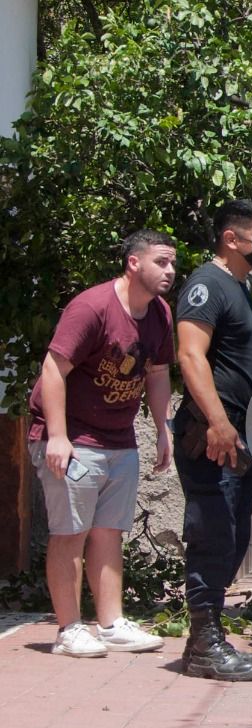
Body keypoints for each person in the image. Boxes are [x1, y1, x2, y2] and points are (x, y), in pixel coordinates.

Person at [27, 230, 176, 657]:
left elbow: (158, 372)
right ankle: (69, 629)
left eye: (172, 264)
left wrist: (162, 428)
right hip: (71, 437)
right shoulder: (92, 307)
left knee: (109, 532)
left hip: (119, 438)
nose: (170, 271)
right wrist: (57, 436)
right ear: (134, 263)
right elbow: (53, 369)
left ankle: (110, 624)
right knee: (70, 532)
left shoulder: (159, 313)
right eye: (161, 262)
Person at [173, 199, 252, 681]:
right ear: (231, 239)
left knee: (233, 536)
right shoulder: (206, 284)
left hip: (238, 432)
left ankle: (206, 635)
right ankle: (203, 645)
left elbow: (243, 367)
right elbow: (191, 356)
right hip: (213, 434)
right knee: (213, 533)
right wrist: (218, 423)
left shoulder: (240, 287)